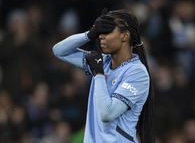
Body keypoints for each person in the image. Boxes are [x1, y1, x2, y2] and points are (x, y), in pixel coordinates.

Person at [53, 8, 155, 143]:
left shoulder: (137, 73)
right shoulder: (102, 62)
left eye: (107, 31)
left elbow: (107, 113)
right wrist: (88, 35)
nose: (101, 35)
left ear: (125, 36)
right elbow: (59, 51)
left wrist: (99, 74)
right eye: (100, 31)